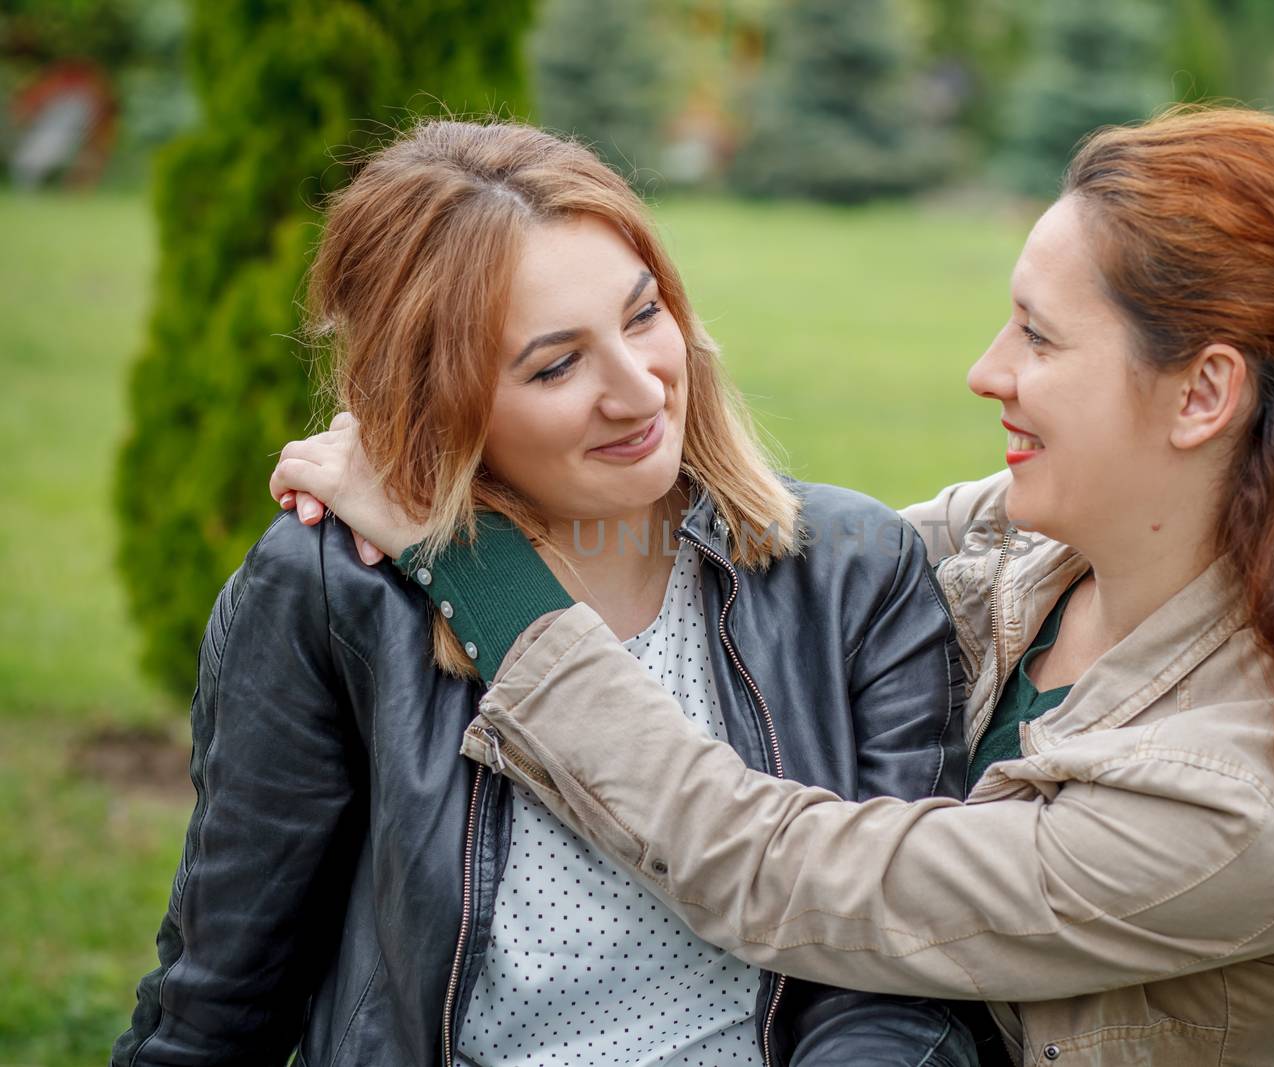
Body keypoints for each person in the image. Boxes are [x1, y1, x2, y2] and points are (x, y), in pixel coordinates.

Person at [275, 108, 1274, 1066]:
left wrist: (470, 561)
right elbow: (766, 573)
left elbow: (783, 872)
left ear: (1203, 393)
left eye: (1041, 335)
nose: (985, 368)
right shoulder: (1043, 546)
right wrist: (510, 433)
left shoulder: (1245, 798)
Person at [112, 120, 981, 1067]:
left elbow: (902, 975)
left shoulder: (851, 571)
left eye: (644, 315)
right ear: (436, 397)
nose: (640, 392)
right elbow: (224, 990)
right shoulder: (336, 587)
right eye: (557, 364)